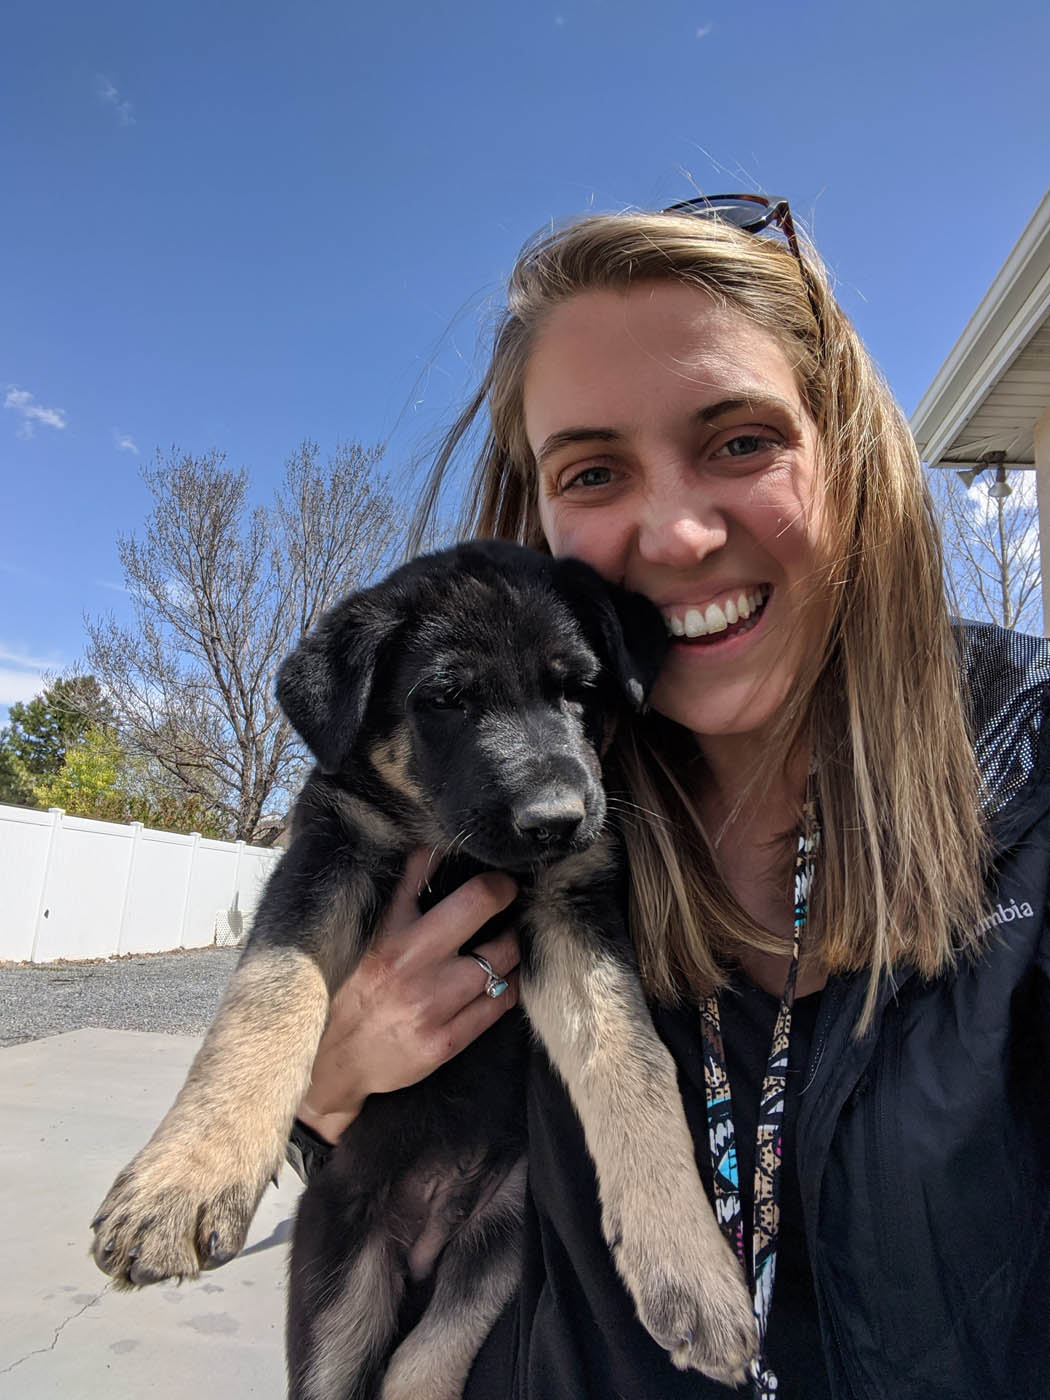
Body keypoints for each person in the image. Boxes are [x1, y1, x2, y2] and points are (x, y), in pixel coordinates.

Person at [288, 196, 1050, 1398]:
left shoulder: (1032, 779)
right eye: (593, 468)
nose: (679, 533)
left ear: (845, 448)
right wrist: (324, 1090)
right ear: (534, 515)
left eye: (741, 440)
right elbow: (386, 1161)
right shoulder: (515, 818)